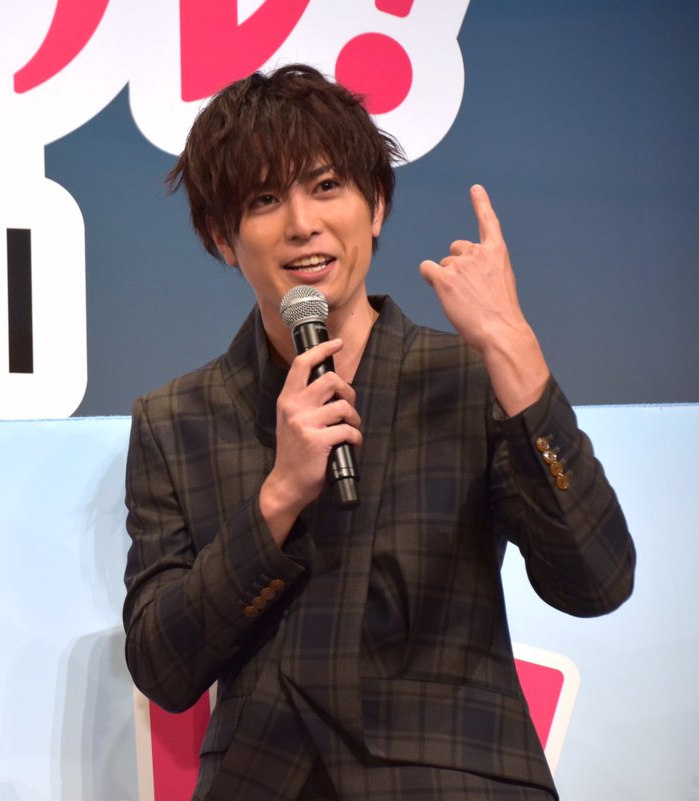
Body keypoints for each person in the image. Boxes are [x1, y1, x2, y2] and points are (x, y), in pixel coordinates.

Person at [122, 64, 635, 800]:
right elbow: (162, 667)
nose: (302, 223)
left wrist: (514, 350)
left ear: (377, 206)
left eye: (327, 186)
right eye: (264, 199)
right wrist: (276, 500)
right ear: (221, 236)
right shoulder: (176, 418)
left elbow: (596, 580)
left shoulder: (468, 377)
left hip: (451, 781)